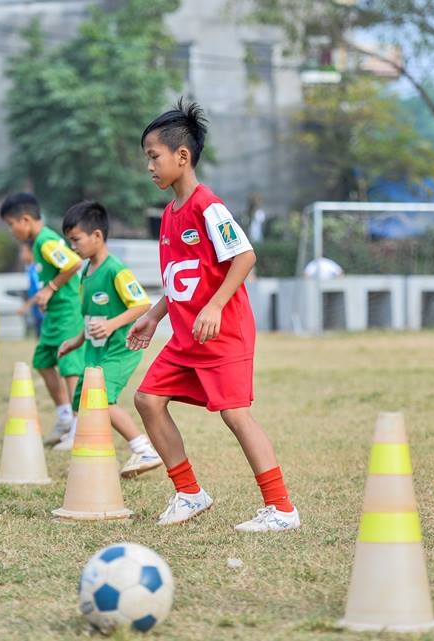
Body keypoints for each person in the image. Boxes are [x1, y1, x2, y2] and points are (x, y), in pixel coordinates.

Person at [128, 99, 299, 531]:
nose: (149, 167)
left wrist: (217, 305)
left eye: (153, 157)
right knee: (147, 399)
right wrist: (153, 315)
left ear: (181, 157)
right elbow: (181, 281)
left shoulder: (209, 206)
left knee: (235, 414)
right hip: (186, 339)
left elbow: (244, 256)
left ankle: (281, 509)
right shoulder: (169, 216)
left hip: (223, 335)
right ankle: (189, 493)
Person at [59, 200, 162, 477]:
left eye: (76, 240)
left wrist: (113, 324)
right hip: (95, 351)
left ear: (97, 236)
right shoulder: (85, 272)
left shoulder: (116, 270)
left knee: (101, 398)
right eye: (69, 241)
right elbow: (91, 316)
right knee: (83, 397)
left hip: (120, 349)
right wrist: (77, 341)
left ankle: (144, 449)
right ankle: (91, 456)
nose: (73, 247)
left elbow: (142, 305)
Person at [0, 192, 84, 447]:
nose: (12, 232)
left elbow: (73, 263)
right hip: (53, 316)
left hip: (68, 313)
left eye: (11, 225)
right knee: (42, 361)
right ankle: (65, 417)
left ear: (25, 220)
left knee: (70, 368)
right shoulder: (38, 244)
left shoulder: (46, 241)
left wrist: (51, 289)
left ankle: (78, 429)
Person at [17, 243, 44, 338]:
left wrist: (26, 306)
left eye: (23, 251)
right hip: (37, 314)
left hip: (43, 315)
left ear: (31, 253)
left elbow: (40, 291)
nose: (21, 255)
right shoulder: (29, 269)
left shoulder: (36, 270)